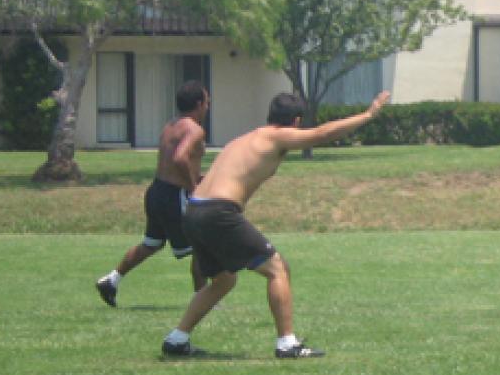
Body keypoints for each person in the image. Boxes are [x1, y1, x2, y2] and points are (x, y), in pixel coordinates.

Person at [160, 90, 389, 359]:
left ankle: (177, 339)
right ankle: (287, 344)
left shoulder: (246, 138)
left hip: (194, 210)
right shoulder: (277, 135)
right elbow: (323, 134)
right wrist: (368, 114)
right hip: (217, 212)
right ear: (296, 121)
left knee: (223, 281)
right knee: (277, 269)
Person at [96, 81, 210, 305]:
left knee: (152, 244)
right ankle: (203, 300)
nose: (208, 107)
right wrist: (193, 188)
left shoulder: (171, 125)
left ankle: (111, 280)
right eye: (207, 102)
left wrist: (197, 177)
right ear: (199, 104)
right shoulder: (194, 129)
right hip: (174, 196)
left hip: (157, 191)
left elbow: (174, 160)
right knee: (201, 244)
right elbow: (179, 158)